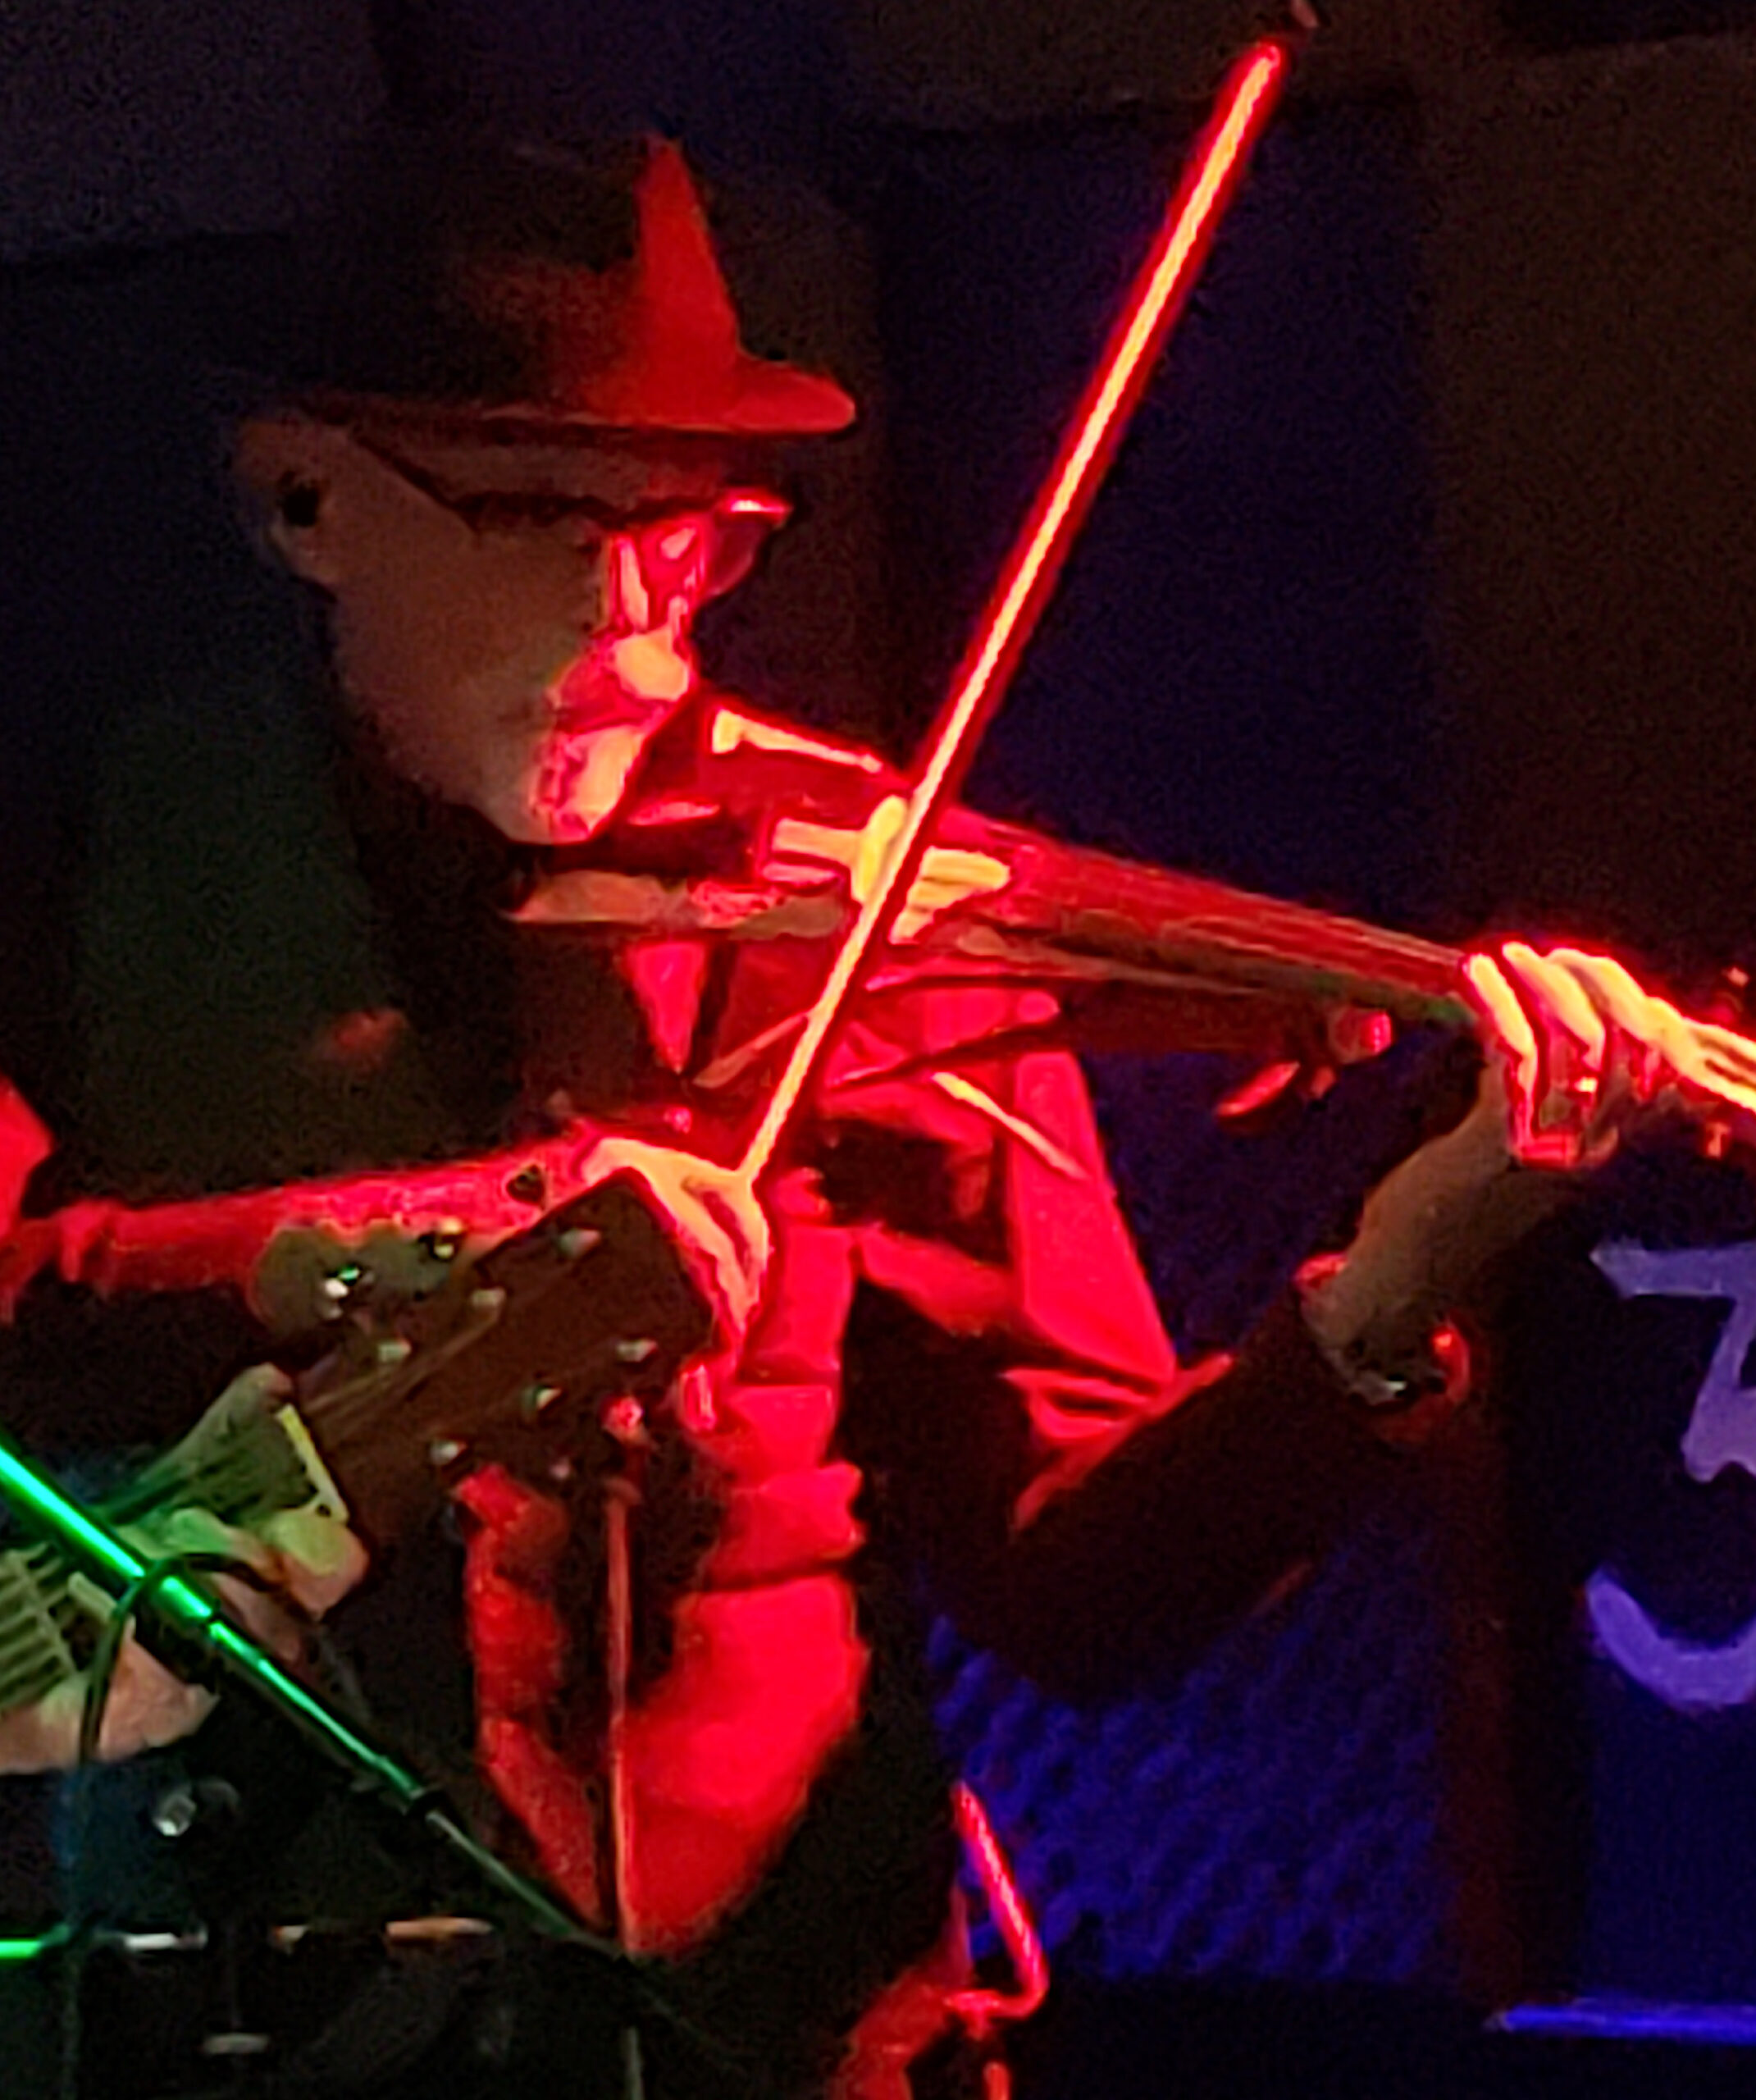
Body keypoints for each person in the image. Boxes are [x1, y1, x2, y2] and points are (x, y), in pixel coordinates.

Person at [0, 128, 1644, 2098]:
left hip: (800, 2039)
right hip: (252, 2031)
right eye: (542, 520)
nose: (630, 625)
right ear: (303, 498)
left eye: (686, 541)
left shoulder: (871, 920)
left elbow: (1075, 1589)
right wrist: (358, 1246)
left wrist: (1386, 1292)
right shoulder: (80, 872)